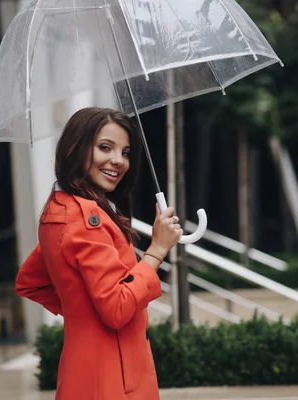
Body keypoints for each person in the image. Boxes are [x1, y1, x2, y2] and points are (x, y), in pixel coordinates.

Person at [15, 107, 183, 400]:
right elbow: (117, 308)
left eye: (126, 152)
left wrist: (85, 315)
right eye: (105, 147)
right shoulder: (86, 217)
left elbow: (31, 281)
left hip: (85, 374)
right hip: (112, 382)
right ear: (76, 148)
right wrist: (157, 250)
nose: (118, 161)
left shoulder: (60, 210)